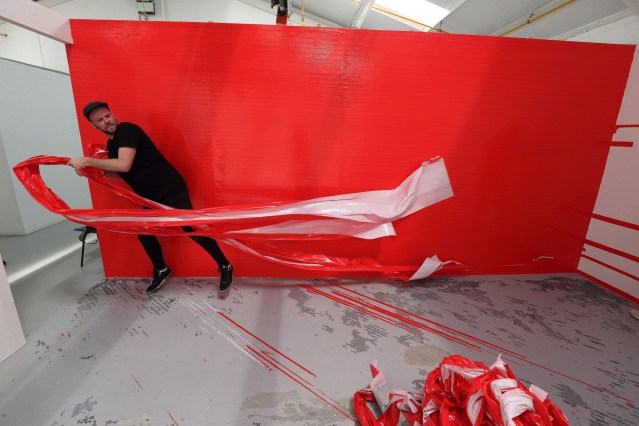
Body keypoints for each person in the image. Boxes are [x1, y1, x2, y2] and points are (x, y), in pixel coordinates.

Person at [67, 101, 233, 296]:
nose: (107, 121)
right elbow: (118, 172)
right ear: (94, 125)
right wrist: (92, 171)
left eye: (107, 115)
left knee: (192, 230)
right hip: (151, 196)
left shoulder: (127, 130)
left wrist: (87, 160)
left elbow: (124, 164)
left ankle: (225, 265)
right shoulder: (112, 144)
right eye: (100, 120)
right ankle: (162, 270)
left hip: (169, 188)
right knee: (144, 232)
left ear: (113, 115)